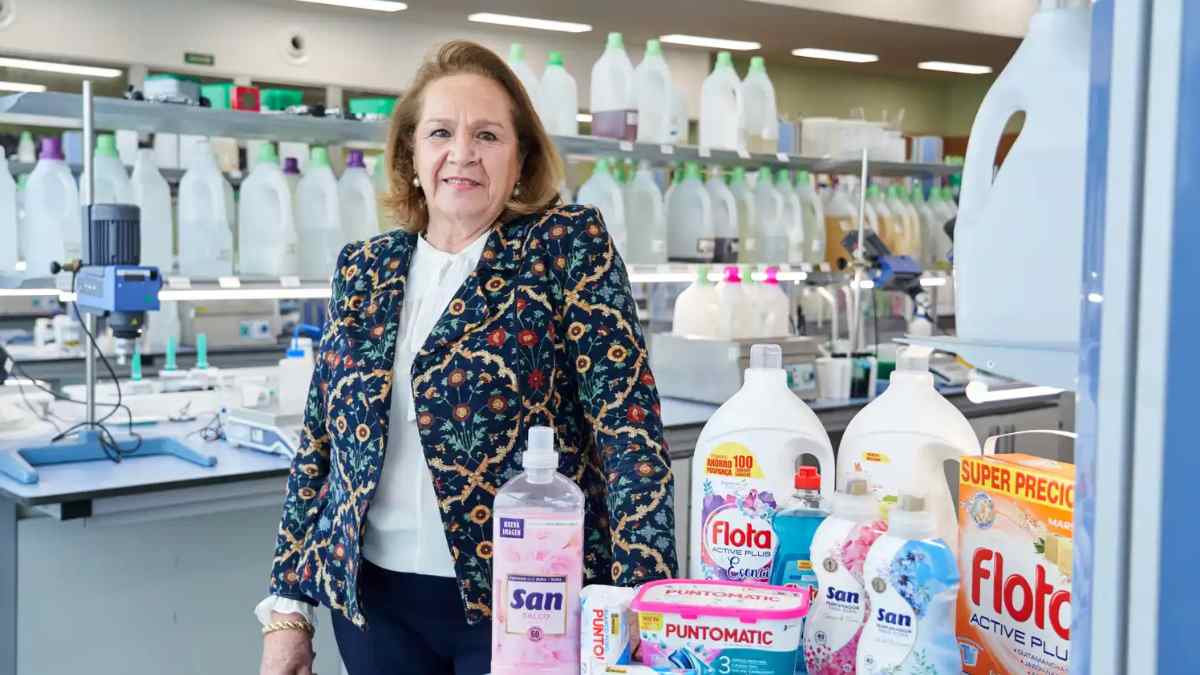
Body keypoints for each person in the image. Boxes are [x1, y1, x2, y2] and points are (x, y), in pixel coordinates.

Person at [257, 40, 678, 675]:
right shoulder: (364, 269)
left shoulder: (566, 246)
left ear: (521, 159)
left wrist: (644, 609)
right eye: (440, 133)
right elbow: (320, 445)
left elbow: (628, 434)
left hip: (530, 601)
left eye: (487, 134)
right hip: (374, 606)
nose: (462, 153)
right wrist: (289, 606)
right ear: (411, 154)